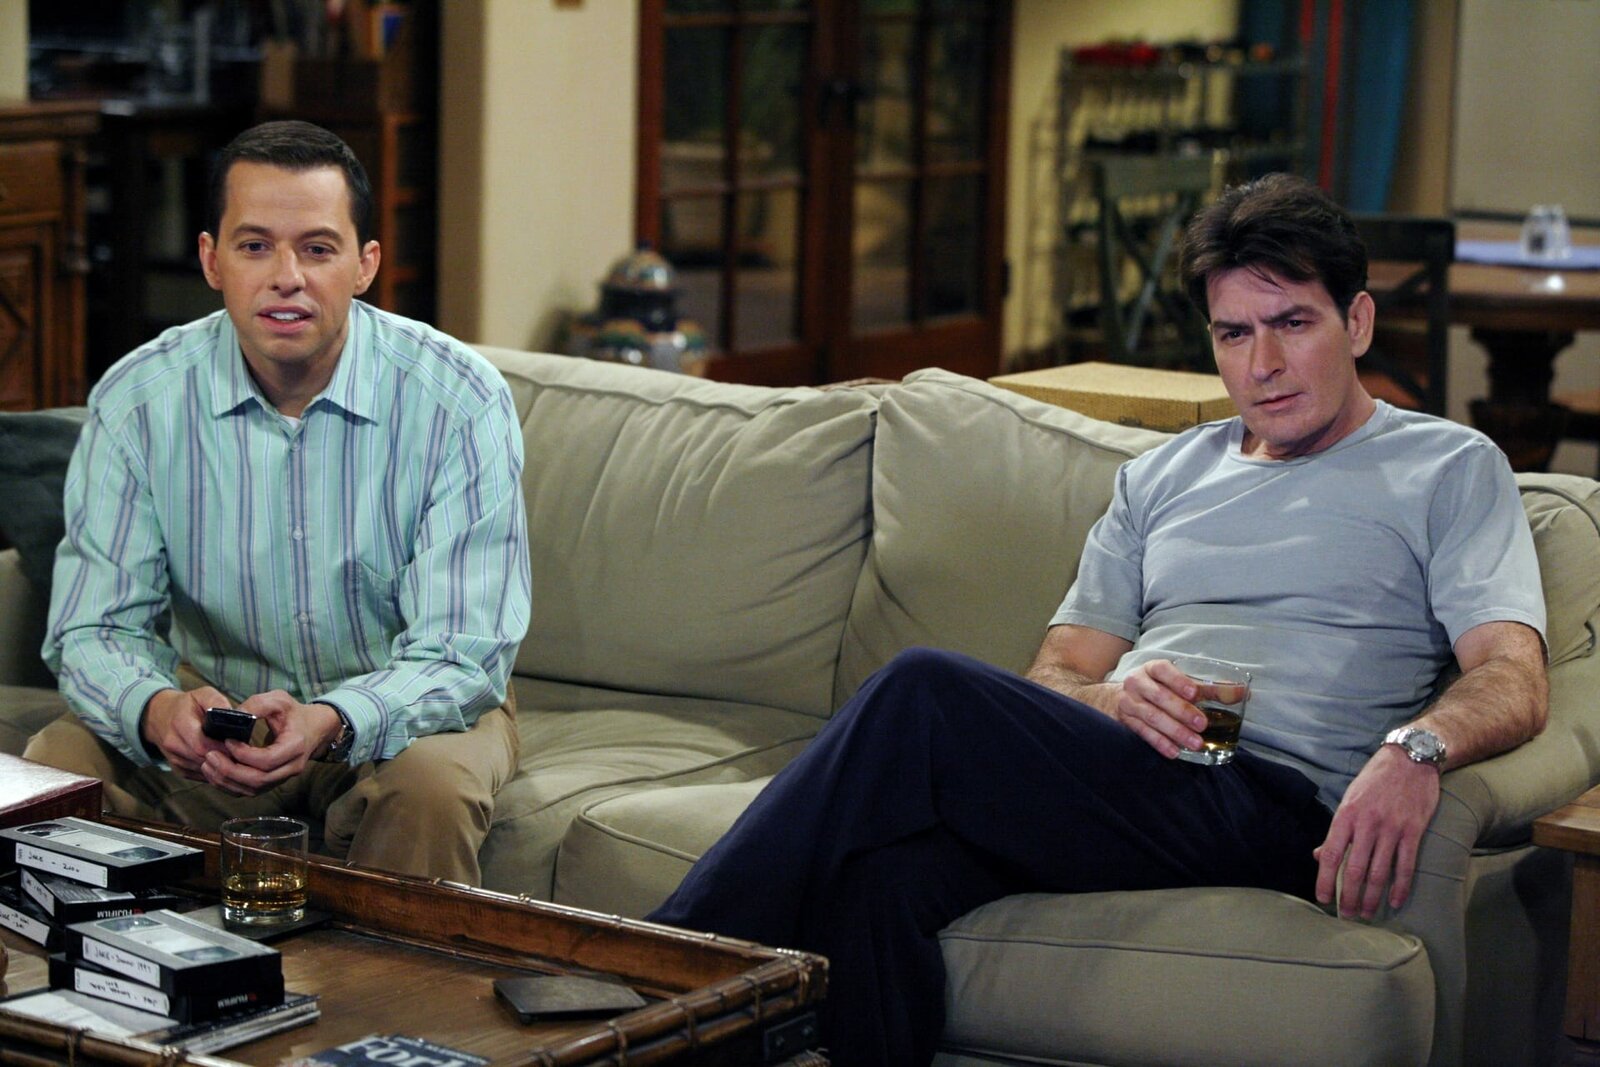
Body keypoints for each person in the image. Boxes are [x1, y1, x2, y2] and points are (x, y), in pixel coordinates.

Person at [646, 173, 1549, 1064]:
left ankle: (647, 980)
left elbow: (1513, 674)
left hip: (1275, 799)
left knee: (921, 690)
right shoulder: (1160, 477)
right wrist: (1112, 700)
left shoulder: (1446, 466)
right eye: (1234, 333)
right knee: (879, 878)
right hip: (1138, 772)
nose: (1262, 364)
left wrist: (1414, 750)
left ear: (1357, 322)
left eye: (1292, 324)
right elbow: (1059, 671)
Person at [25, 120, 531, 886]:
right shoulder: (138, 401)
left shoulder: (459, 402)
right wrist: (159, 709)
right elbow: (93, 626)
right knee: (57, 767)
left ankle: (386, 974)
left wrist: (332, 719)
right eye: (255, 245)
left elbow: (463, 649)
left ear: (364, 266)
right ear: (211, 260)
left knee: (432, 787)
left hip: (404, 712)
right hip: (214, 713)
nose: (286, 276)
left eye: (317, 249)